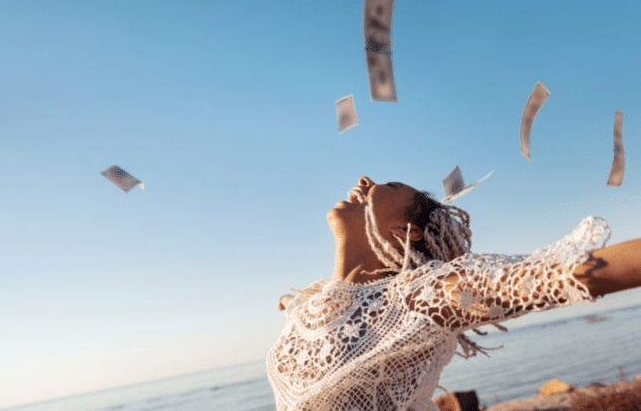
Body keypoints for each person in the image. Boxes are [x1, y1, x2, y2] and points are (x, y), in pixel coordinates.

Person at [266, 176, 641, 411]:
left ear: (406, 231)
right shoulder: (311, 301)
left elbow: (565, 275)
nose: (364, 180)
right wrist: (288, 304)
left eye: (391, 185)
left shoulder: (420, 298)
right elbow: (296, 306)